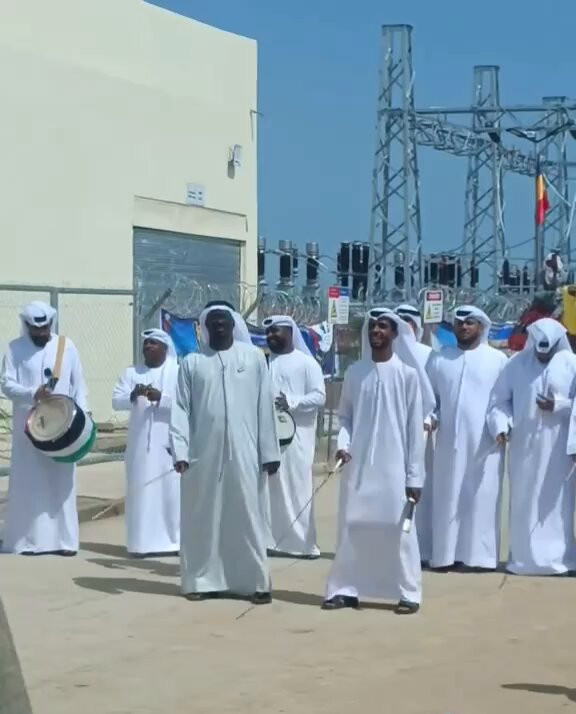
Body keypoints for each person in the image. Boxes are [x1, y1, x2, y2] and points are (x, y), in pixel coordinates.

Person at [170, 302, 280, 604]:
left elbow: (265, 406)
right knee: (202, 518)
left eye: (224, 321)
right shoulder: (192, 363)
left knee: (248, 516)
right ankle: (201, 581)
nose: (219, 325)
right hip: (201, 455)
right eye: (213, 322)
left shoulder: (253, 358)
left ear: (233, 325)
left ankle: (255, 583)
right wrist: (180, 451)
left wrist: (269, 452)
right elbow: (180, 409)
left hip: (246, 453)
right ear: (205, 328)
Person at [323, 308, 427, 614]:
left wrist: (415, 477)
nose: (376, 331)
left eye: (383, 326)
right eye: (372, 326)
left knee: (399, 531)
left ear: (395, 333)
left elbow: (414, 430)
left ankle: (408, 592)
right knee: (351, 526)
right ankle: (345, 589)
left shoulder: (407, 376)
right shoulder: (355, 373)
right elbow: (345, 417)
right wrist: (343, 445)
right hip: (358, 467)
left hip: (395, 468)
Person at [0, 301, 88, 555]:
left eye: (45, 328)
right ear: (27, 326)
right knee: (29, 483)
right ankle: (27, 541)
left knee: (61, 482)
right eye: (36, 329)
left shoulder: (66, 346)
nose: (41, 333)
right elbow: (6, 384)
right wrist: (32, 393)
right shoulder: (14, 349)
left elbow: (79, 385)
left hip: (62, 426)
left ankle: (65, 542)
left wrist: (84, 417)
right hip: (29, 428)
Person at [489, 319, 576, 575]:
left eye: (547, 352)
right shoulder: (515, 365)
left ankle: (560, 559)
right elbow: (499, 401)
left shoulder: (571, 364)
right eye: (539, 350)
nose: (542, 355)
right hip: (523, 449)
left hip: (559, 450)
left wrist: (558, 405)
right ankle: (523, 559)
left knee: (556, 504)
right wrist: (501, 426)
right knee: (524, 501)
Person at [427, 305, 507, 572]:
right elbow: (431, 400)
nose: (463, 327)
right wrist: (431, 417)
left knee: (481, 498)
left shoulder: (497, 360)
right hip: (448, 444)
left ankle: (480, 558)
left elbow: (503, 402)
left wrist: (501, 426)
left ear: (481, 327)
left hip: (486, 444)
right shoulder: (439, 359)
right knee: (448, 497)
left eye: (470, 322)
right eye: (459, 322)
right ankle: (445, 556)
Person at [112, 329, 180, 557]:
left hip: (168, 443)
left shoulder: (176, 372)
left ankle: (173, 543)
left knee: (170, 493)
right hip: (140, 446)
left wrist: (161, 398)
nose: (148, 346)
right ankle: (141, 544)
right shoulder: (131, 372)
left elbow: (185, 405)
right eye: (146, 343)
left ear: (165, 348)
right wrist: (133, 396)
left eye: (153, 343)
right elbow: (116, 400)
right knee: (141, 492)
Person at [262, 315, 326, 559]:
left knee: (297, 489)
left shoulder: (306, 363)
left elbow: (319, 396)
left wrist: (292, 401)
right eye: (268, 332)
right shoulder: (265, 363)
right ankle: (272, 542)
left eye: (275, 331)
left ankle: (303, 545)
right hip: (269, 437)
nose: (270, 336)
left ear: (290, 333)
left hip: (298, 440)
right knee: (270, 489)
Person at [395, 303, 435, 565]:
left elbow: (435, 396)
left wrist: (429, 419)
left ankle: (422, 550)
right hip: (391, 434)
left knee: (419, 490)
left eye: (407, 321)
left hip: (421, 434)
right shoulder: (383, 354)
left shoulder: (429, 355)